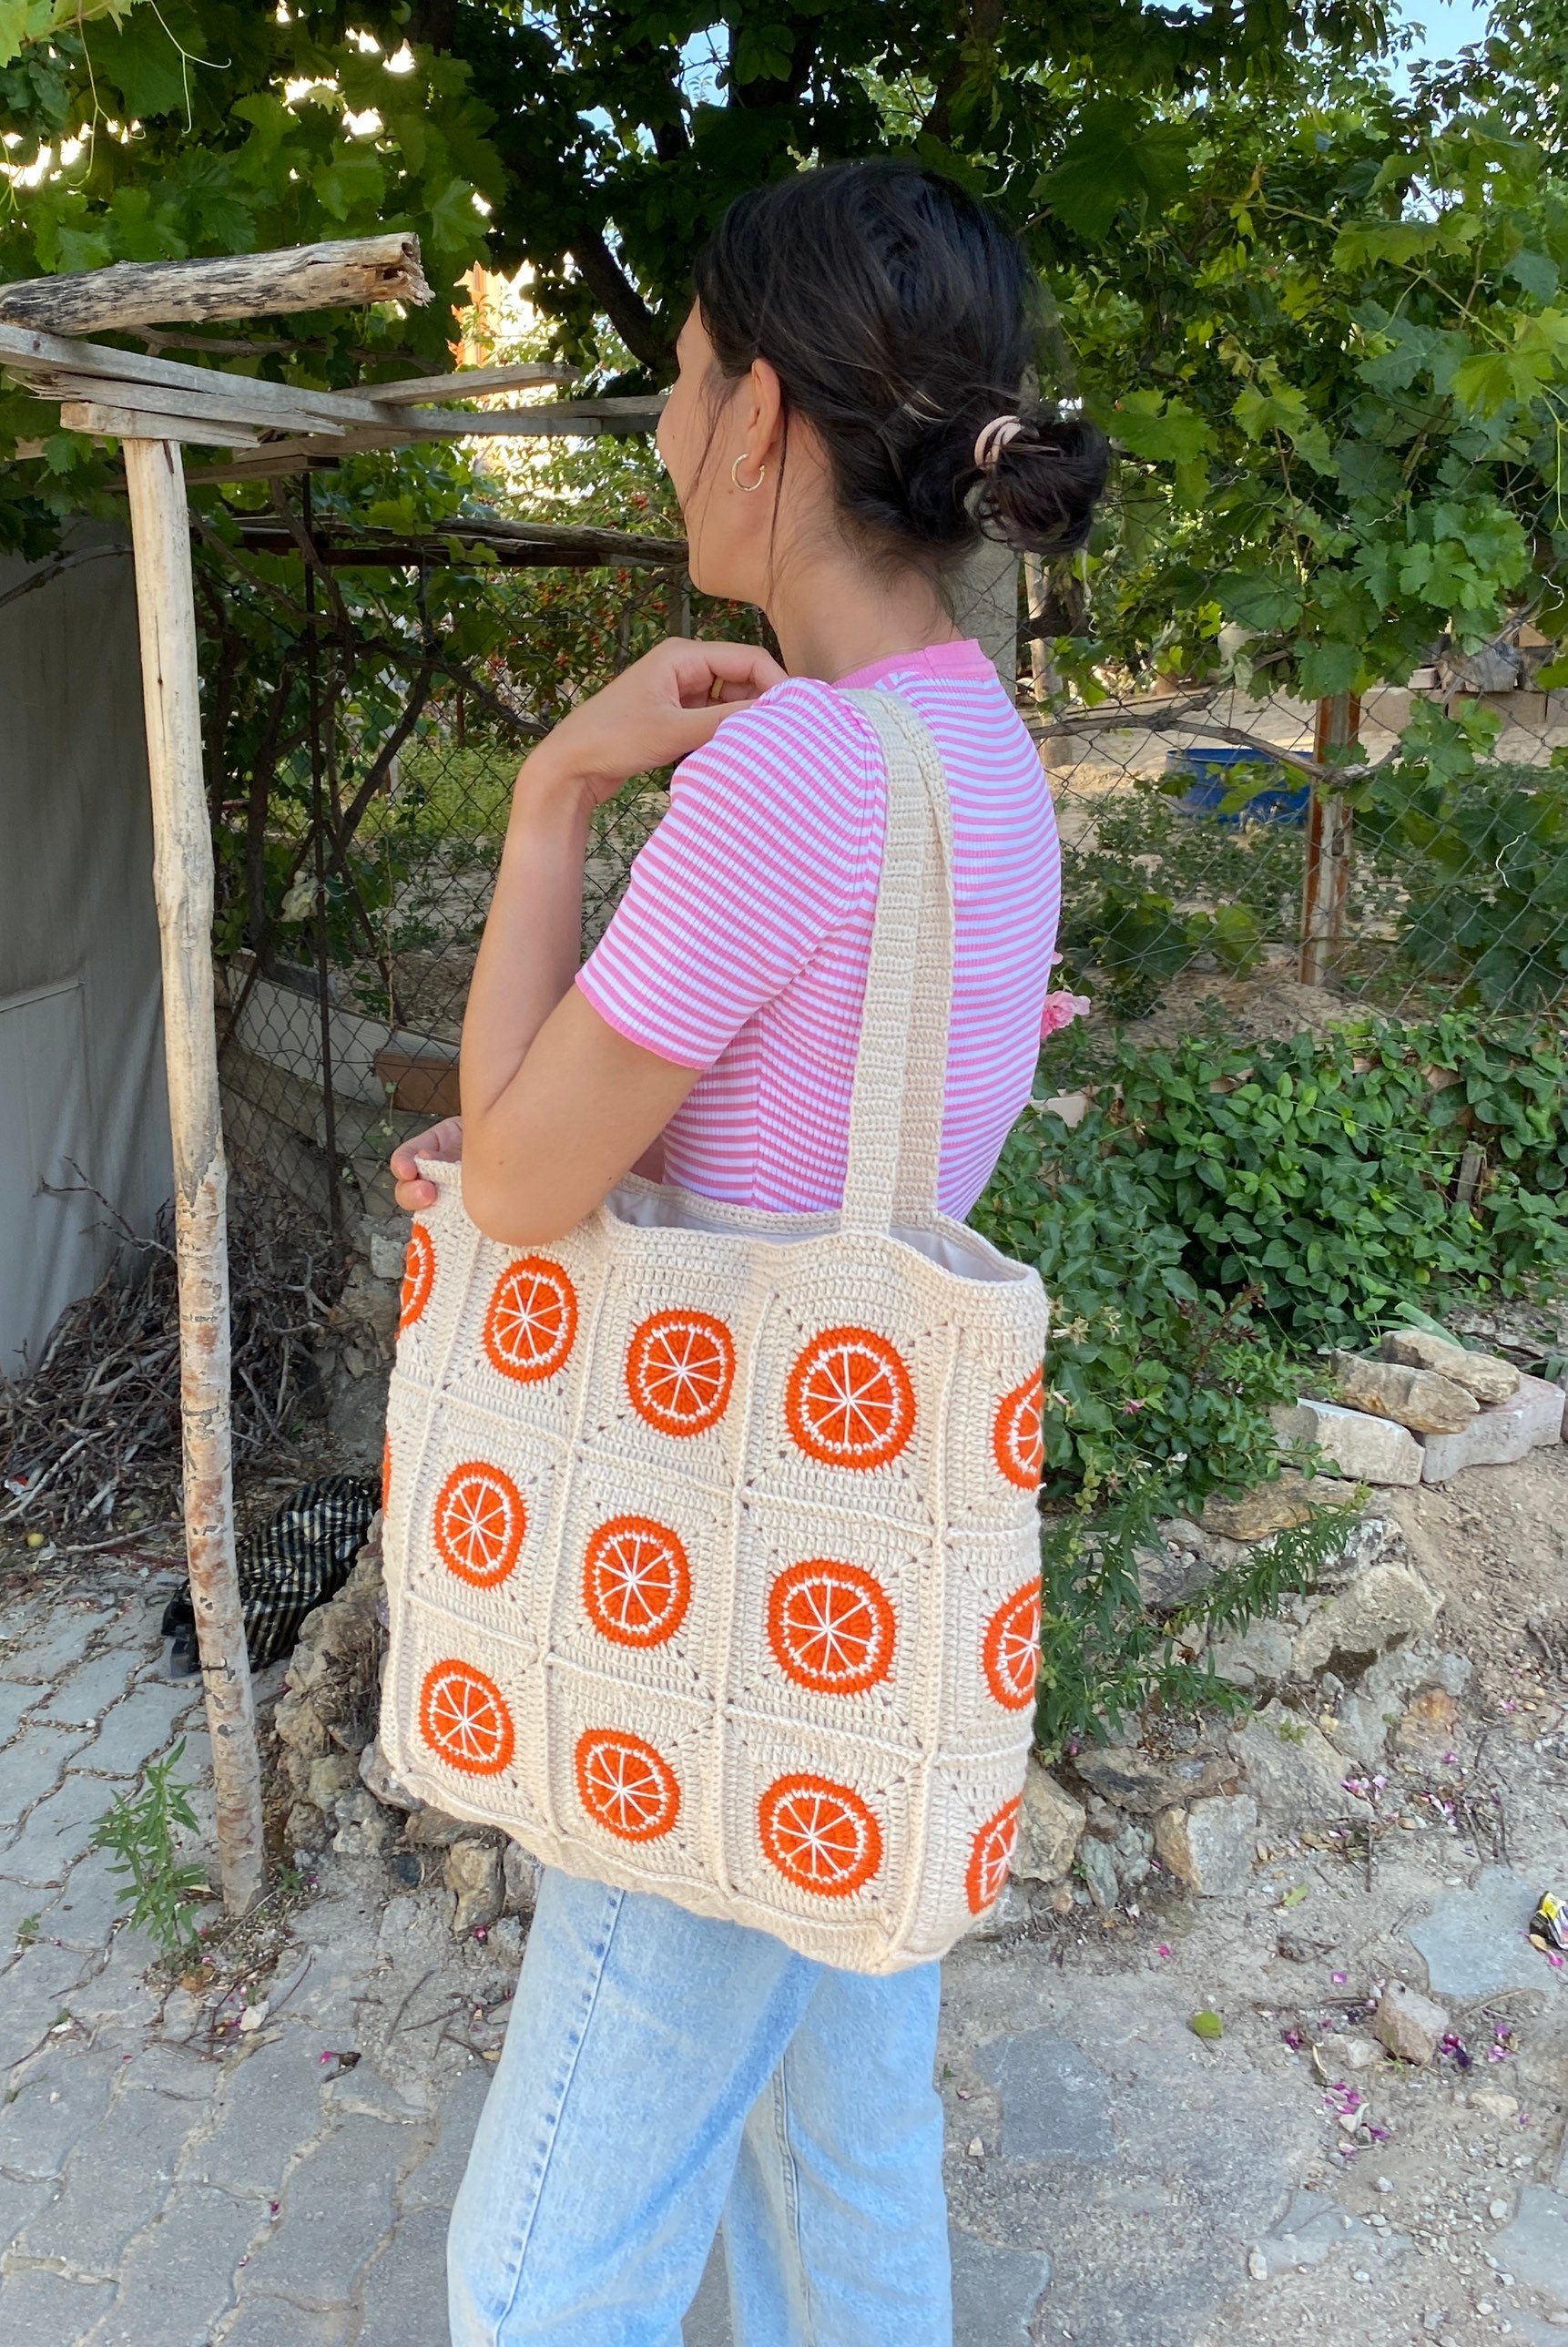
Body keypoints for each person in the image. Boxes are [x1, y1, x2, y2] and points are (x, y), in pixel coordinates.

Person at [389, 158, 1107, 2346]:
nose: (668, 433)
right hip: (856, 1608)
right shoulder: (979, 756)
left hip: (710, 1615)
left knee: (541, 2270)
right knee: (845, 2166)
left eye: (680, 387)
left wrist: (551, 798)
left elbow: (516, 1183)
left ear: (771, 414)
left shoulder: (792, 777)